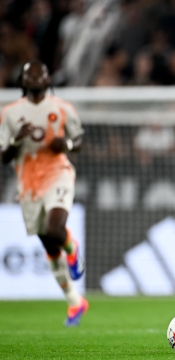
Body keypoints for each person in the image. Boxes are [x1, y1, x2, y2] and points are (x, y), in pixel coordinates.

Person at [0, 60, 87, 325]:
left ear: (48, 80)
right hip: (28, 184)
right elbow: (4, 156)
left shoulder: (62, 108)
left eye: (41, 74)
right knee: (49, 247)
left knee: (54, 227)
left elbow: (79, 140)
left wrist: (68, 144)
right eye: (31, 75)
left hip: (58, 173)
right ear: (23, 81)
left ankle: (73, 249)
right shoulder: (10, 113)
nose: (36, 78)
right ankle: (75, 302)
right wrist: (16, 140)